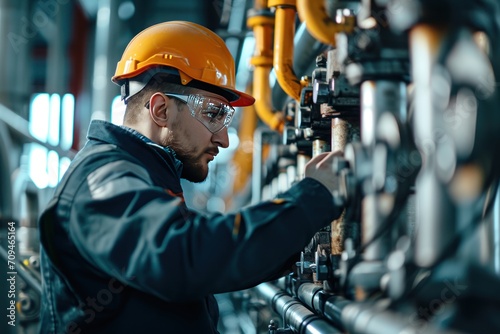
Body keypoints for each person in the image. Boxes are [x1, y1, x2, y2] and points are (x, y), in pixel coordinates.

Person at [38, 21, 343, 333]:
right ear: (160, 110)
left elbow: (207, 256)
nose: (224, 139)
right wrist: (312, 199)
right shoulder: (102, 176)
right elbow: (184, 256)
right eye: (213, 114)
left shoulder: (146, 177)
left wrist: (296, 241)